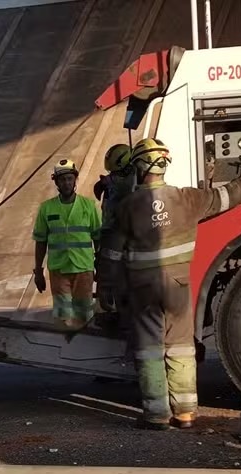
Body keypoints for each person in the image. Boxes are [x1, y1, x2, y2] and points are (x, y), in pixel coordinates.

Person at [97, 138, 241, 430]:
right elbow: (230, 195)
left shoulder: (127, 208)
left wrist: (106, 289)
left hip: (143, 288)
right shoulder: (188, 199)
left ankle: (156, 415)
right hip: (177, 285)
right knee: (180, 346)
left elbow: (111, 254)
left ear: (139, 167)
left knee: (150, 349)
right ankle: (186, 413)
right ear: (164, 164)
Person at [32, 159, 102, 332]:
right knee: (63, 316)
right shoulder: (46, 208)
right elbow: (41, 241)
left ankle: (82, 350)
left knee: (84, 315)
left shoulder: (88, 206)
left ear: (75, 180)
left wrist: (101, 266)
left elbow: (98, 237)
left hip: (83, 269)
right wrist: (38, 272)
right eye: (62, 179)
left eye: (70, 179)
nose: (66, 183)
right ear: (56, 182)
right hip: (59, 270)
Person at [93, 144, 137, 348]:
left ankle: (122, 347)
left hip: (118, 243)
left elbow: (123, 185)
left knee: (116, 297)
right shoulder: (120, 181)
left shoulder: (128, 181)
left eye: (114, 171)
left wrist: (106, 181)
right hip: (112, 241)